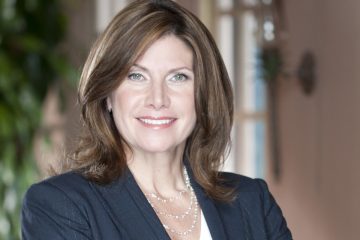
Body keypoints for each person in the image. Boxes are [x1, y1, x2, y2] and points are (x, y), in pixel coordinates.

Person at [21, 0, 292, 239]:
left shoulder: (252, 202)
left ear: (203, 94)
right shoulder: (60, 206)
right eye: (136, 76)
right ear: (107, 95)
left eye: (178, 77)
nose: (158, 99)